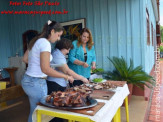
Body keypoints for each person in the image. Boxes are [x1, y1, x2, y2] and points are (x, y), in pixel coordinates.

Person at [21, 20, 74, 122]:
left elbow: (25, 59)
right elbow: (45, 69)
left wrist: (39, 63)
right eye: (58, 35)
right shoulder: (45, 43)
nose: (58, 39)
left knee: (34, 112)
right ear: (52, 31)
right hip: (37, 82)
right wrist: (66, 76)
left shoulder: (35, 41)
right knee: (42, 114)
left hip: (28, 80)